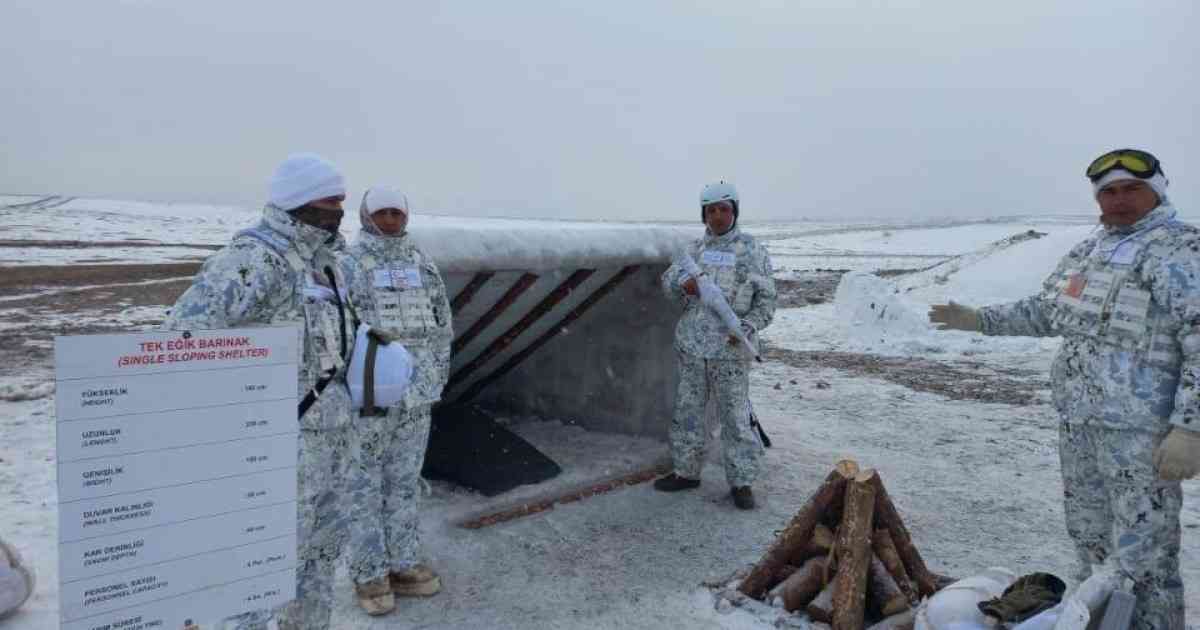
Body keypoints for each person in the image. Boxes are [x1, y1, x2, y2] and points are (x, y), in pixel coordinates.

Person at [929, 148, 1199, 629]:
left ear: (1157, 191)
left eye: (1131, 189)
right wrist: (978, 319)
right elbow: (1048, 310)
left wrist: (1191, 428)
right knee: (1092, 544)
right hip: (1079, 425)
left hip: (1142, 436)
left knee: (1146, 558)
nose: (1118, 201)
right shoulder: (1091, 252)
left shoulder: (1183, 251)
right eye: (1108, 192)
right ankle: (1093, 621)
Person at [163, 153, 357, 630]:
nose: (338, 209)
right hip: (270, 448)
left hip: (331, 444)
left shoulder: (327, 265)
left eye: (341, 200)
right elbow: (180, 341)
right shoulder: (252, 260)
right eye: (330, 199)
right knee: (257, 568)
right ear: (298, 199)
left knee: (319, 557)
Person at [341, 187, 452, 615]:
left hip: (416, 397)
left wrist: (434, 379)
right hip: (369, 397)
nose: (390, 220)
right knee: (364, 484)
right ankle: (369, 572)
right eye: (381, 212)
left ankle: (404, 562)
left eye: (396, 212)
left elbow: (443, 326)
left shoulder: (422, 264)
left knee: (405, 481)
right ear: (368, 217)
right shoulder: (349, 265)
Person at [655, 181, 777, 509]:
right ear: (704, 215)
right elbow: (668, 285)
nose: (718, 216)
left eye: (724, 209)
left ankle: (741, 481)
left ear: (734, 211)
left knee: (735, 417)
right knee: (688, 411)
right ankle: (686, 472)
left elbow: (767, 300)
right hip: (694, 346)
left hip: (732, 350)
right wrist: (687, 285)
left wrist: (748, 327)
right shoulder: (693, 251)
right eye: (712, 210)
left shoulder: (752, 250)